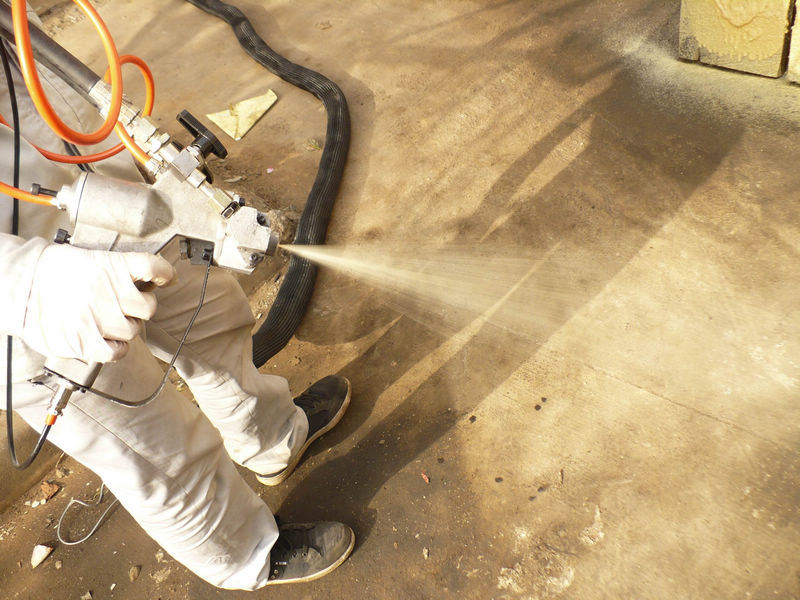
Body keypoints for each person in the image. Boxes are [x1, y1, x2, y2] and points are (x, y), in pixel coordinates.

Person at [0, 27, 353, 590]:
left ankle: (271, 440)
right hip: (34, 305)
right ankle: (248, 554)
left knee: (213, 319)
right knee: (156, 445)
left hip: (104, 194)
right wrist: (28, 284)